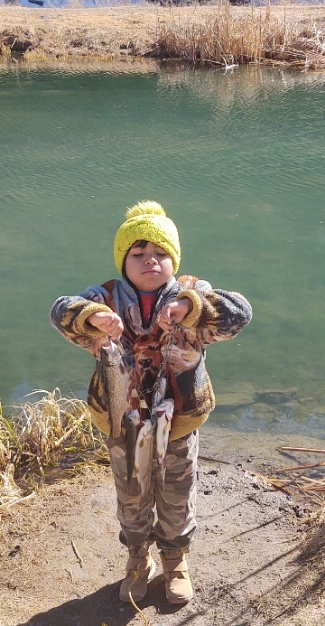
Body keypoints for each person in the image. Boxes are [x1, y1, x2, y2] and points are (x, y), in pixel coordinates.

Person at [49, 200, 252, 605]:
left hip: (177, 423)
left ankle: (175, 559)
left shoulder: (193, 293)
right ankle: (138, 558)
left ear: (174, 259)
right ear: (123, 261)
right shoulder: (102, 298)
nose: (150, 261)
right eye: (138, 255)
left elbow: (240, 313)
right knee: (131, 496)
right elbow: (60, 311)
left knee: (177, 495)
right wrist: (91, 318)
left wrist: (190, 310)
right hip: (123, 425)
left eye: (161, 254)